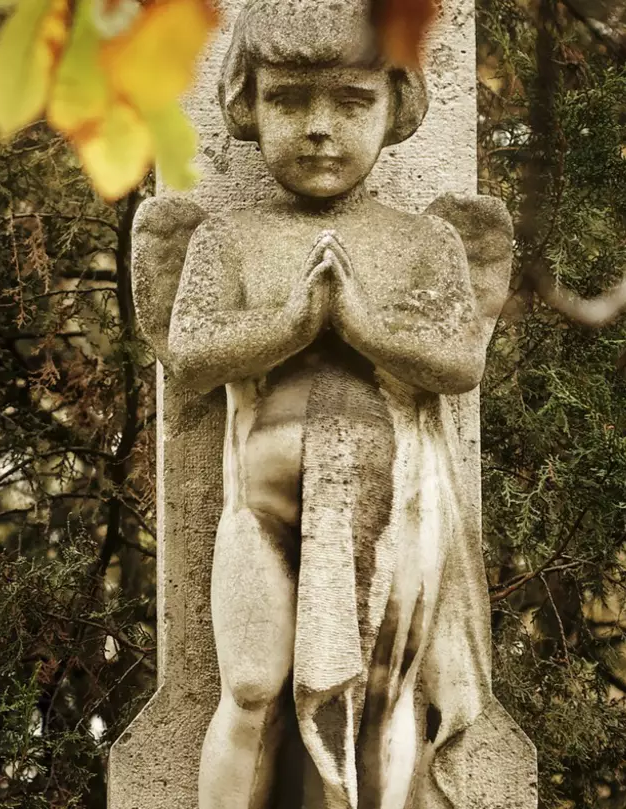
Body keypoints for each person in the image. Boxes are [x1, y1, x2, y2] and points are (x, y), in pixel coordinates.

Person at [161, 2, 511, 806]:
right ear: (248, 103)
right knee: (249, 684)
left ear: (397, 107)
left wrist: (363, 324)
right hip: (261, 505)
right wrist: (291, 323)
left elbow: (460, 360)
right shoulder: (230, 237)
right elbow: (192, 351)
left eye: (351, 102)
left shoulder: (423, 242)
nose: (320, 128)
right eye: (290, 100)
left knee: (389, 696)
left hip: (394, 508)